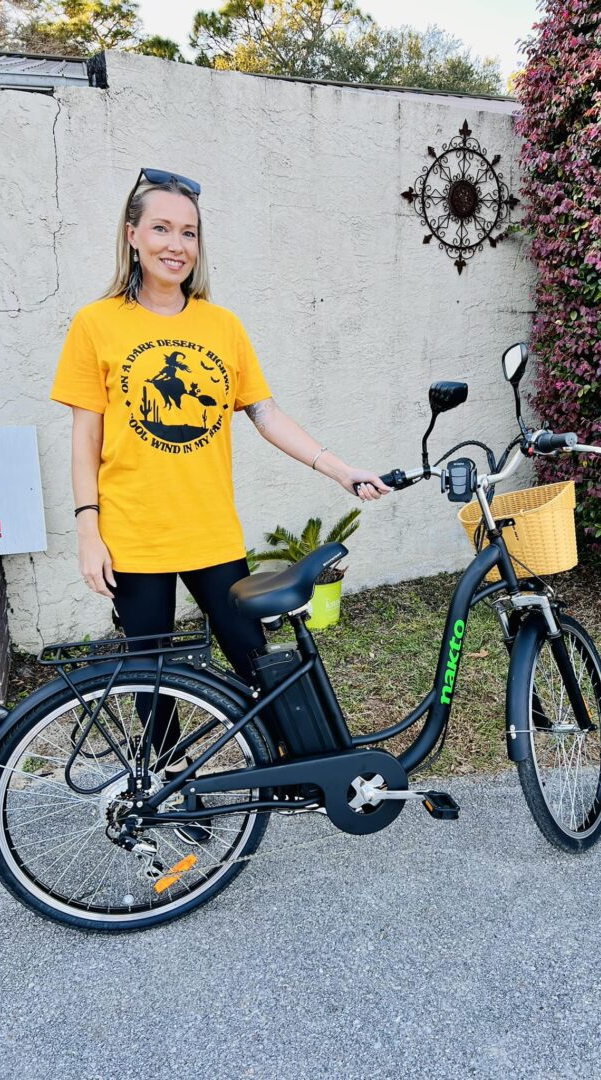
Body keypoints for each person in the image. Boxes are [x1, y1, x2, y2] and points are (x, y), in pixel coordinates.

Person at [51, 166, 390, 839]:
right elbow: (85, 436)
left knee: (255, 659)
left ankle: (295, 770)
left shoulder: (222, 325)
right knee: (151, 679)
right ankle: (175, 795)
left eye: (189, 233)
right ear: (133, 236)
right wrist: (89, 530)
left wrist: (338, 468)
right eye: (162, 229)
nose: (176, 244)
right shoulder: (96, 325)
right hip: (135, 536)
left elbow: (265, 414)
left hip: (211, 534)